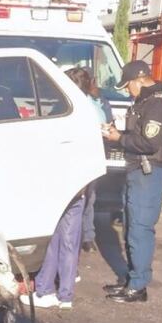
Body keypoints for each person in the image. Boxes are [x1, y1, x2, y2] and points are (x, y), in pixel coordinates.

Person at [20, 68, 103, 310]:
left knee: (54, 239)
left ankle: (45, 289)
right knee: (69, 241)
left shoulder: (65, 112)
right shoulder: (90, 112)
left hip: (60, 185)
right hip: (78, 185)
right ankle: (64, 294)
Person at [102, 60, 162, 304]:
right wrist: (119, 132)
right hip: (137, 171)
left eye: (128, 86)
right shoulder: (144, 101)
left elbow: (149, 142)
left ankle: (138, 286)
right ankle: (131, 278)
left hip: (149, 172)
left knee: (140, 230)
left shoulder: (159, 104)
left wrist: (118, 138)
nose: (127, 91)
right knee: (131, 227)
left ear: (139, 79)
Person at [80, 72, 114, 254]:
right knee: (81, 198)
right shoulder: (79, 101)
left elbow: (108, 119)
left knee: (90, 196)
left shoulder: (101, 101)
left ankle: (87, 235)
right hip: (83, 152)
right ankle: (82, 236)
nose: (96, 85)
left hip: (97, 150)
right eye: (92, 81)